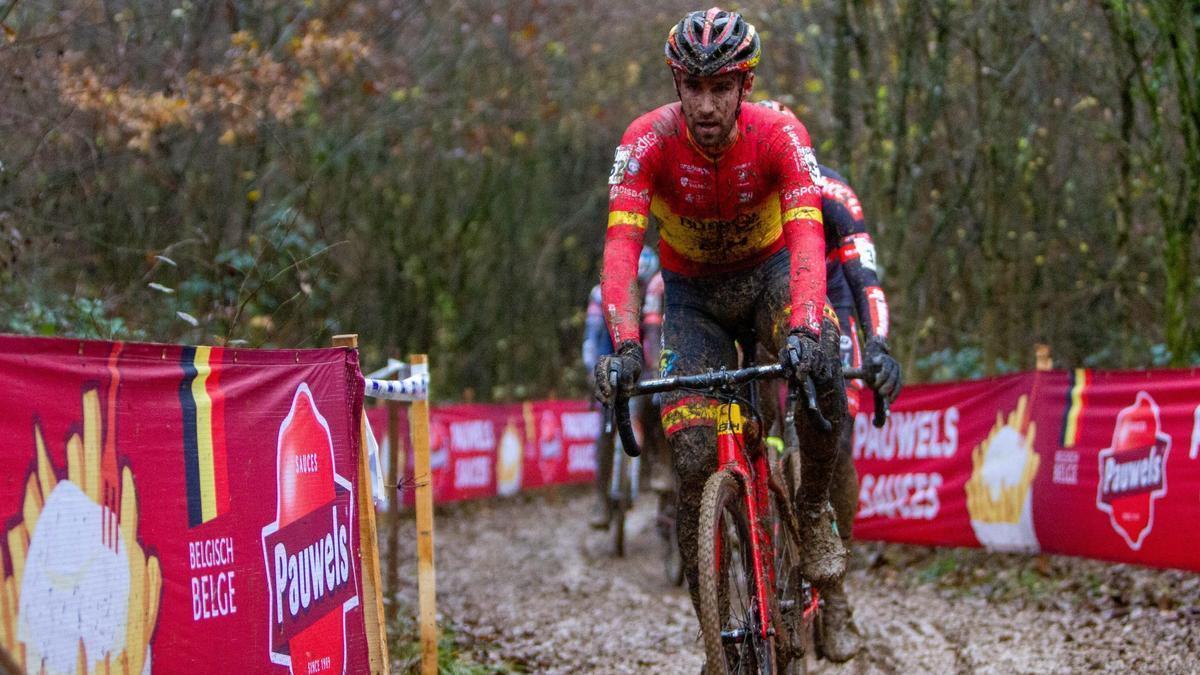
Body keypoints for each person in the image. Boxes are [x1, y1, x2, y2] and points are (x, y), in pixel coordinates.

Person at [592, 7, 849, 652]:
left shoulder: (781, 134)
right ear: (676, 84)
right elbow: (621, 249)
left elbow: (808, 237)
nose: (706, 105)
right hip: (692, 300)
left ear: (746, 86)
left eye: (721, 87)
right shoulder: (645, 142)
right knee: (691, 457)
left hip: (772, 277)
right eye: (694, 87)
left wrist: (805, 325)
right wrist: (625, 345)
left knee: (823, 364)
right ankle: (715, 630)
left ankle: (812, 508)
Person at [756, 99, 902, 662]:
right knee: (745, 416)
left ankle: (835, 595)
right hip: (763, 310)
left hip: (829, 309)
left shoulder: (832, 192)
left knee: (834, 443)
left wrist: (879, 345)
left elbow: (865, 277)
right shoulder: (739, 192)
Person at [583, 246, 664, 528]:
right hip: (610, 353)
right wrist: (592, 371)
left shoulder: (656, 294)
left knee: (657, 408)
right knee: (607, 427)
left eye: (642, 283)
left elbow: (654, 339)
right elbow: (592, 339)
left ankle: (659, 471)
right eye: (633, 282)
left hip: (643, 358)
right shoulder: (600, 294)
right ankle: (601, 498)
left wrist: (656, 373)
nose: (638, 289)